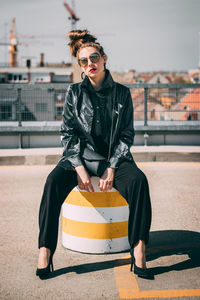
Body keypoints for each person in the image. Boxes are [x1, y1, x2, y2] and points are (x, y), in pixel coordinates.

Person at [36, 29, 153, 280]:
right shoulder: (74, 93)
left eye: (95, 58)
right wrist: (78, 166)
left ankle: (139, 248)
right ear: (80, 64)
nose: (90, 64)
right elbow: (68, 133)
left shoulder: (122, 93)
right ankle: (45, 250)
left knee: (139, 182)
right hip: (80, 157)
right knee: (52, 183)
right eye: (84, 61)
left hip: (113, 158)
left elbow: (126, 135)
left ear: (104, 58)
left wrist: (111, 167)